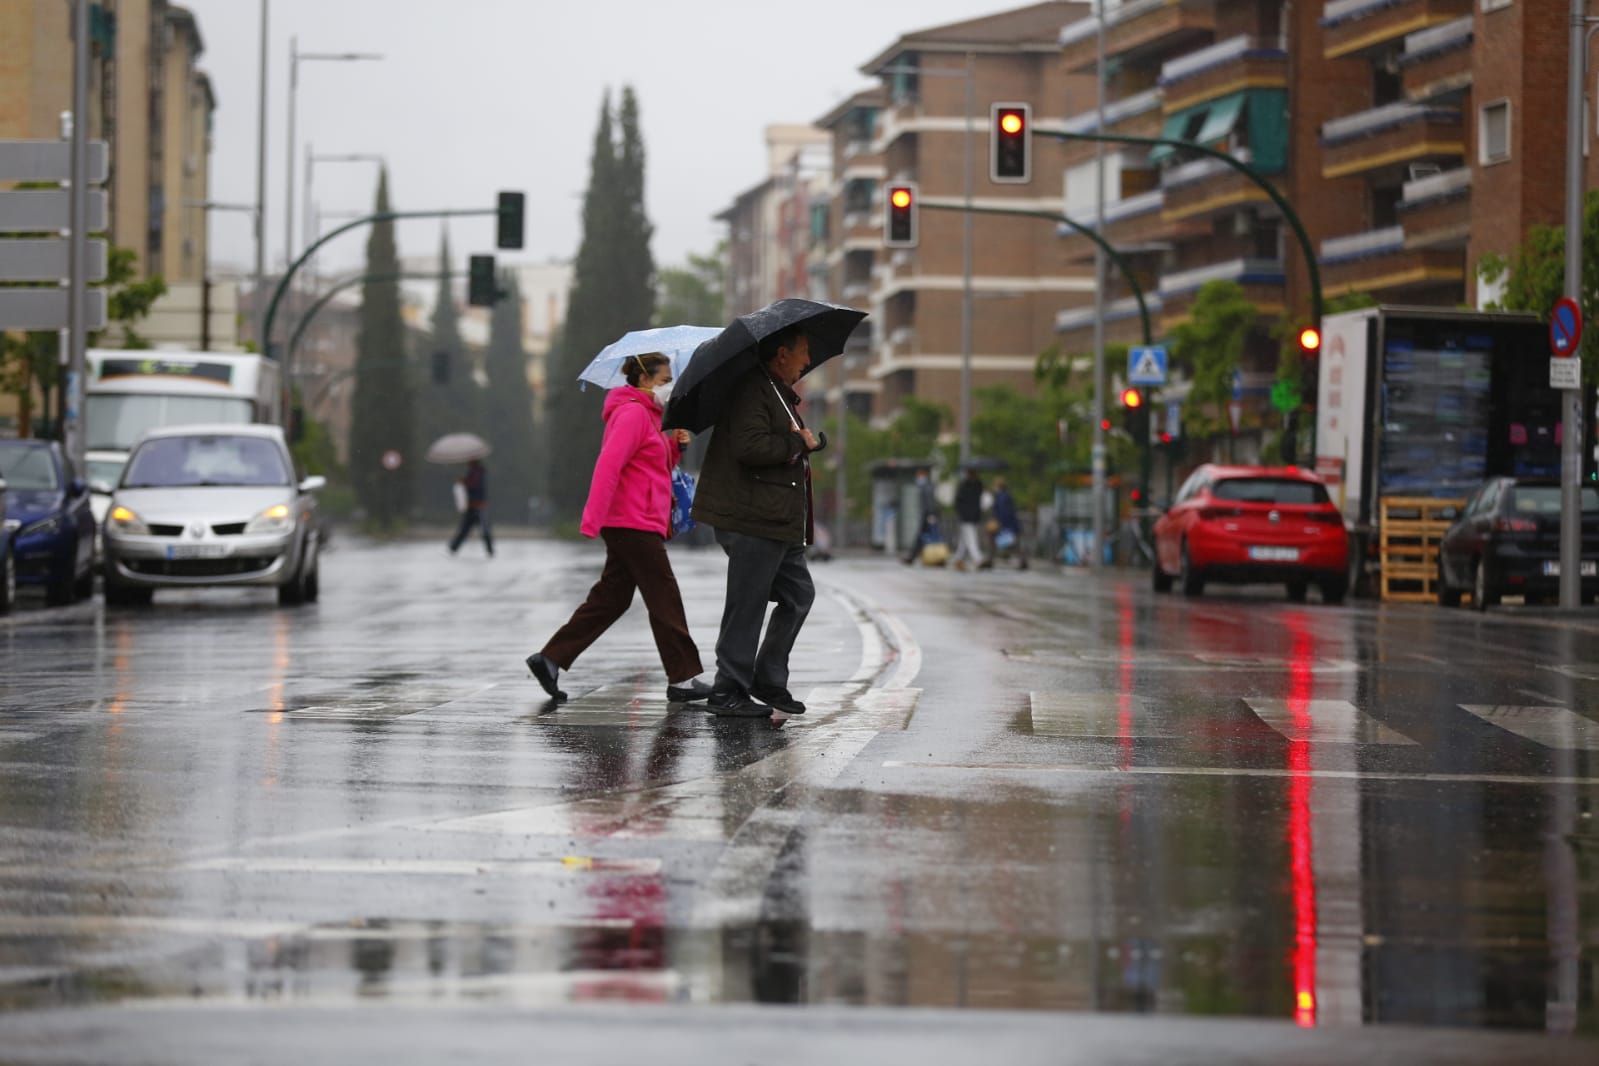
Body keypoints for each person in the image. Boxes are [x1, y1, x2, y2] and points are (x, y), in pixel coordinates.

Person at [524, 353, 712, 706]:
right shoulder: (631, 414)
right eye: (664, 379)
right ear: (644, 380)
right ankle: (683, 678)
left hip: (638, 520)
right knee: (664, 595)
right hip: (631, 522)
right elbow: (608, 466)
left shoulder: (651, 418)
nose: (669, 386)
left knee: (612, 598)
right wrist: (592, 518)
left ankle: (550, 659)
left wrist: (675, 447)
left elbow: (649, 468)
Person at [692, 324, 824, 718]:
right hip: (751, 517)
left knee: (799, 595)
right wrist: (797, 443)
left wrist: (798, 443)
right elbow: (749, 447)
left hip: (778, 520)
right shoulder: (753, 389)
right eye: (803, 352)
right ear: (781, 354)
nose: (808, 361)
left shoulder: (777, 393)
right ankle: (728, 689)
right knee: (746, 604)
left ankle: (768, 678)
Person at [448, 458, 494, 556]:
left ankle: (490, 551)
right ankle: (453, 549)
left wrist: (464, 482)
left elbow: (474, 485)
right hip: (471, 506)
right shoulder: (473, 472)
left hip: (479, 506)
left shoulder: (478, 472)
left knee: (484, 530)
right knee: (465, 529)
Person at [900, 468, 940, 565]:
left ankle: (913, 557)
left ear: (923, 475)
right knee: (924, 537)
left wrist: (931, 514)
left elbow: (930, 502)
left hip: (928, 515)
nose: (918, 478)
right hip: (927, 515)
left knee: (926, 537)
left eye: (919, 475)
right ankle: (913, 556)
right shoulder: (926, 486)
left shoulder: (927, 486)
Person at [950, 467, 986, 571]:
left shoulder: (978, 485)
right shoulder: (964, 486)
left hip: (974, 517)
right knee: (971, 539)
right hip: (966, 517)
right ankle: (978, 559)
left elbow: (980, 501)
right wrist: (962, 513)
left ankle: (958, 559)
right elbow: (958, 502)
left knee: (964, 541)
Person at [991, 477, 1028, 570]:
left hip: (1006, 525)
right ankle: (1022, 560)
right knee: (1012, 544)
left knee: (1008, 543)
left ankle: (990, 560)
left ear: (998, 486)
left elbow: (1002, 512)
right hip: (1010, 524)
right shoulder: (1006, 495)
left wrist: (999, 523)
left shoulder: (1001, 497)